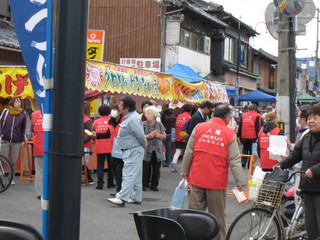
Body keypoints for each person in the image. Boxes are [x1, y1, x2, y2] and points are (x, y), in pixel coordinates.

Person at [180, 103, 246, 240]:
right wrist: (240, 181)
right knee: (216, 218)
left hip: (197, 178)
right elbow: (234, 160)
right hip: (217, 182)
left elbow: (189, 152)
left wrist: (184, 172)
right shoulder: (229, 134)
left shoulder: (199, 128)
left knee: (194, 216)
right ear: (227, 118)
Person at [278, 103, 320, 240]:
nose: (311, 121)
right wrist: (281, 165)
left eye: (315, 117)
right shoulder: (307, 137)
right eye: (309, 118)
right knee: (311, 228)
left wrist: (314, 170)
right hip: (307, 188)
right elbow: (295, 155)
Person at [107, 96, 147, 206]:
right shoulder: (129, 117)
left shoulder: (132, 118)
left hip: (133, 150)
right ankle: (135, 197)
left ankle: (121, 198)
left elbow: (140, 134)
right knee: (136, 175)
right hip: (132, 149)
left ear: (127, 108)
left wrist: (144, 143)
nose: (118, 107)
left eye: (120, 105)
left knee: (128, 174)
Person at [0, 97, 27, 185]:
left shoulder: (23, 114)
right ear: (12, 103)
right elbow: (0, 123)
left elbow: (24, 128)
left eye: (19, 101)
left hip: (16, 141)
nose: (18, 103)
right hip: (5, 140)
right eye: (16, 101)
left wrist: (22, 140)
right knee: (2, 160)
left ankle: (11, 178)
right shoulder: (6, 111)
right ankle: (2, 177)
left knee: (13, 162)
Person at [142, 106, 166, 191]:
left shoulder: (159, 124)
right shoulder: (143, 124)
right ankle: (143, 184)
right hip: (146, 149)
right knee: (145, 168)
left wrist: (158, 135)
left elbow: (164, 135)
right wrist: (147, 136)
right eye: (147, 114)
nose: (147, 115)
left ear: (154, 115)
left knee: (156, 169)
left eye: (149, 114)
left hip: (157, 150)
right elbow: (140, 136)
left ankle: (154, 185)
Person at [93, 104, 115, 190]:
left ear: (99, 112)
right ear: (109, 112)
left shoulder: (96, 122)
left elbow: (93, 131)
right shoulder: (112, 121)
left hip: (99, 145)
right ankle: (110, 183)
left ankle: (100, 184)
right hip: (110, 145)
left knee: (100, 165)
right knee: (111, 165)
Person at [238, 103, 262, 168]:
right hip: (253, 136)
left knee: (245, 149)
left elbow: (240, 126)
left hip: (244, 135)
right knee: (252, 150)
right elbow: (257, 127)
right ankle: (250, 164)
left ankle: (243, 162)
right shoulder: (258, 115)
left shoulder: (243, 115)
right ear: (255, 109)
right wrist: (258, 136)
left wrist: (238, 135)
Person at [171, 104, 193, 172]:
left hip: (178, 137)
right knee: (187, 153)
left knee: (178, 151)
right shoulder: (189, 117)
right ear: (190, 110)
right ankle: (185, 168)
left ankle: (173, 166)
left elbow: (176, 126)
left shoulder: (178, 116)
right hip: (186, 137)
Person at [31, 109, 43, 200]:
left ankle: (40, 192)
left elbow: (32, 128)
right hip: (51, 146)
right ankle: (49, 191)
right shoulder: (52, 112)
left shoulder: (34, 114)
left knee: (39, 170)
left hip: (38, 145)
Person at [160, 103, 175, 167]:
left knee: (162, 147)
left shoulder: (162, 114)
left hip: (163, 132)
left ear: (164, 106)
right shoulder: (173, 114)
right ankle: (168, 162)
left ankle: (162, 161)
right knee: (169, 149)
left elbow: (161, 124)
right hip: (170, 133)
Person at [83, 111, 94, 185]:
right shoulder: (82, 119)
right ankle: (88, 179)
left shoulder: (87, 120)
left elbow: (90, 133)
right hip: (82, 144)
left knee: (83, 163)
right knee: (82, 164)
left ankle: (89, 179)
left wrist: (81, 141)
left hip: (85, 145)